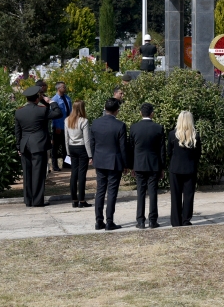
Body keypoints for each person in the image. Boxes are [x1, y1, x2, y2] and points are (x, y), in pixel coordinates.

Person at [14, 85, 63, 207]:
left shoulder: (19, 112)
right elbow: (58, 113)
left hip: (25, 145)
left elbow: (18, 131)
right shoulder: (42, 110)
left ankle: (28, 200)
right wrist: (51, 102)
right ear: (37, 98)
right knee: (38, 174)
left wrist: (18, 146)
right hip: (38, 144)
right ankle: (37, 201)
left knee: (27, 174)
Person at [90, 98, 128, 230]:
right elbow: (123, 147)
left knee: (100, 191)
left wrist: (94, 158)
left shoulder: (95, 123)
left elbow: (92, 143)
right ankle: (109, 221)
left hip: (100, 160)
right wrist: (125, 164)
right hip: (114, 161)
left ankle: (98, 221)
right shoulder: (120, 125)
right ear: (117, 110)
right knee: (112, 192)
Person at [128, 103, 165, 229]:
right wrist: (162, 167)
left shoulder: (134, 128)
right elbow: (162, 150)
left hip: (138, 164)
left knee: (140, 192)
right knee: (153, 192)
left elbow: (131, 149)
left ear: (140, 113)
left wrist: (131, 165)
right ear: (152, 113)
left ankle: (140, 220)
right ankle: (153, 220)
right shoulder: (158, 128)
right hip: (154, 164)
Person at [167, 111, 202, 227]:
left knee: (175, 196)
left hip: (175, 168)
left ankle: (176, 221)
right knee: (188, 196)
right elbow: (198, 154)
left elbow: (169, 152)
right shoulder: (195, 136)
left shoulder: (172, 135)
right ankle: (186, 219)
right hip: (190, 168)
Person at [64, 100, 92, 208]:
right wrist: (90, 155)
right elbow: (87, 139)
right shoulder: (84, 121)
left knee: (73, 173)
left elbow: (66, 138)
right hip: (82, 148)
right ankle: (82, 200)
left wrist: (68, 152)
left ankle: (74, 200)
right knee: (82, 174)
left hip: (71, 147)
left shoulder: (67, 120)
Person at [50, 81, 72, 172]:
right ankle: (55, 166)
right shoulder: (54, 100)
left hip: (67, 126)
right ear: (58, 88)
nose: (65, 88)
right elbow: (53, 116)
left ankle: (66, 163)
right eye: (63, 87)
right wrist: (57, 127)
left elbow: (70, 111)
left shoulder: (67, 98)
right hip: (58, 127)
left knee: (66, 146)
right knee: (55, 147)